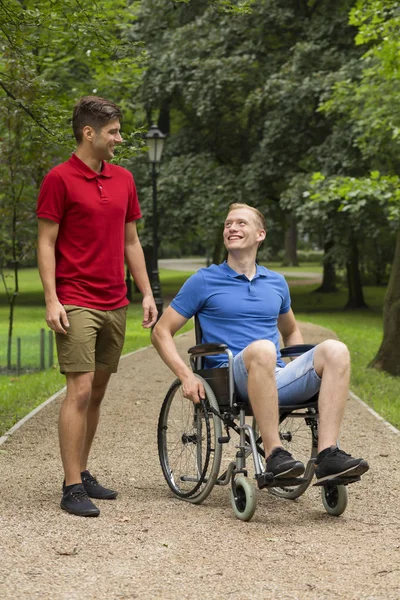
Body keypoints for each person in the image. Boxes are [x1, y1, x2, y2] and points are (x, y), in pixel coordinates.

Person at [152, 203, 369, 485]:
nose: (232, 228)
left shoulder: (276, 282)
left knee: (335, 349)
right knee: (264, 348)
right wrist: (185, 375)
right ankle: (274, 453)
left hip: (272, 374)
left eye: (241, 223)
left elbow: (290, 332)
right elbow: (160, 331)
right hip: (227, 378)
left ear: (260, 234)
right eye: (228, 224)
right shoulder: (204, 280)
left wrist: (301, 372)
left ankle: (328, 455)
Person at [37, 96, 157, 517]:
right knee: (80, 388)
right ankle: (71, 486)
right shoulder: (59, 179)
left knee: (99, 391)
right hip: (75, 299)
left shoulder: (124, 179)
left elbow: (131, 241)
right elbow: (46, 242)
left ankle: (82, 470)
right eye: (113, 132)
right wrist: (52, 299)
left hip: (115, 299)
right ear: (89, 133)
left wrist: (145, 292)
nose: (118, 139)